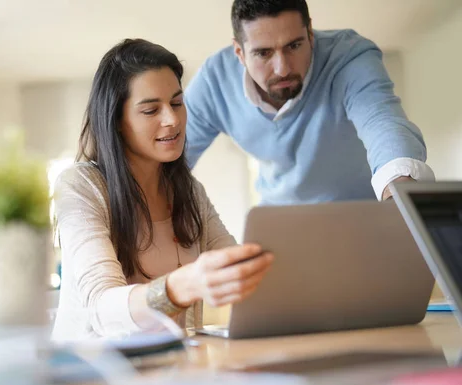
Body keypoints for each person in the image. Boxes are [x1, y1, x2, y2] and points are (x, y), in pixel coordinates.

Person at [51, 39, 274, 341]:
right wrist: (182, 285)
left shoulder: (189, 190)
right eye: (151, 110)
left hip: (169, 372)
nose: (172, 120)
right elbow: (103, 310)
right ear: (117, 120)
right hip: (93, 378)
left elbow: (232, 262)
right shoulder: (81, 186)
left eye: (177, 103)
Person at [185, 0, 435, 205]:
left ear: (311, 36)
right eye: (263, 53)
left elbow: (382, 122)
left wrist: (400, 197)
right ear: (239, 52)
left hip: (364, 210)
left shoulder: (349, 56)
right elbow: (170, 160)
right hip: (279, 218)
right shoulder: (214, 82)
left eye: (294, 46)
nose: (282, 69)